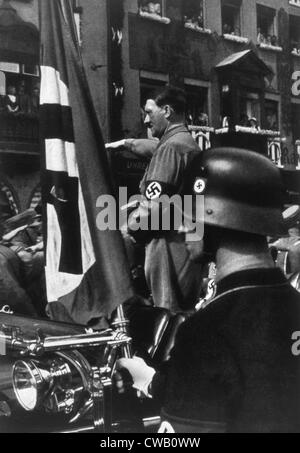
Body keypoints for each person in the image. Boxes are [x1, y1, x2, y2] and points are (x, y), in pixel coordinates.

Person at [118, 147, 300, 433]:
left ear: (215, 221)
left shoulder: (206, 331)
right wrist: (154, 381)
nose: (180, 224)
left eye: (190, 213)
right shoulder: (292, 303)